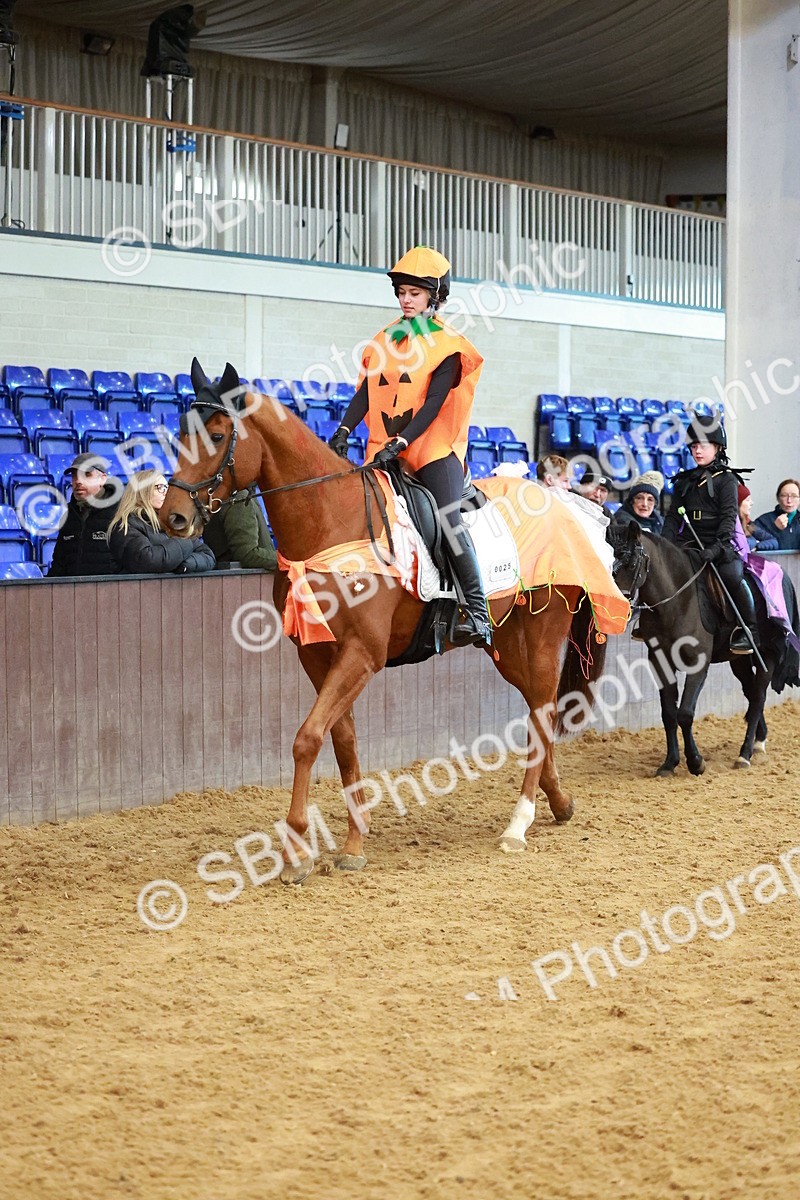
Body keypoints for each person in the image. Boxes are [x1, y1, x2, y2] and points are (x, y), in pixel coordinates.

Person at [327, 245, 490, 647]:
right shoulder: (383, 340)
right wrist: (344, 430)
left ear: (434, 296)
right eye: (401, 292)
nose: (405, 300)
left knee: (450, 522)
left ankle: (477, 609)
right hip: (381, 450)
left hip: (432, 450)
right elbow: (366, 392)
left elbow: (434, 403)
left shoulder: (450, 345)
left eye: (414, 293)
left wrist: (401, 441)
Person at [662, 415, 755, 654]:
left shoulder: (727, 480)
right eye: (693, 446)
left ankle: (748, 628)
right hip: (690, 540)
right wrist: (665, 545)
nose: (697, 451)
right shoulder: (685, 481)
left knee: (732, 575)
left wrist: (717, 547)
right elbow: (673, 517)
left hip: (719, 542)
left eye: (702, 446)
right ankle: (654, 624)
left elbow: (727, 518)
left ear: (717, 447)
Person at [108, 469, 215, 574]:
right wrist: (186, 541)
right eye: (160, 487)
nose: (166, 493)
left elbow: (208, 556)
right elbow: (147, 561)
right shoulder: (126, 525)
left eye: (166, 488)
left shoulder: (174, 523)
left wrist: (186, 564)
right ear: (142, 492)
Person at [48, 452, 120, 578]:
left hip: (111, 592)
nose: (78, 481)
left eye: (87, 474)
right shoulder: (69, 515)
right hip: (73, 594)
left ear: (102, 478)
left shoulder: (120, 511)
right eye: (74, 476)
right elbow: (59, 564)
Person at [203, 489, 277, 571]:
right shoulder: (239, 499)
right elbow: (247, 555)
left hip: (239, 577)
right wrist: (286, 559)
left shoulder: (237, 496)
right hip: (243, 579)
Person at [754, 479, 800, 551]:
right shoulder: (763, 520)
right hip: (772, 561)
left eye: (794, 496)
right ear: (778, 498)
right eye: (784, 496)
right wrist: (774, 528)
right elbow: (754, 546)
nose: (789, 501)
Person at [738, 484, 778, 552]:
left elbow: (774, 542)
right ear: (738, 504)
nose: (751, 503)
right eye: (747, 500)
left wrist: (757, 546)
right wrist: (755, 542)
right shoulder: (730, 524)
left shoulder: (749, 524)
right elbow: (742, 545)